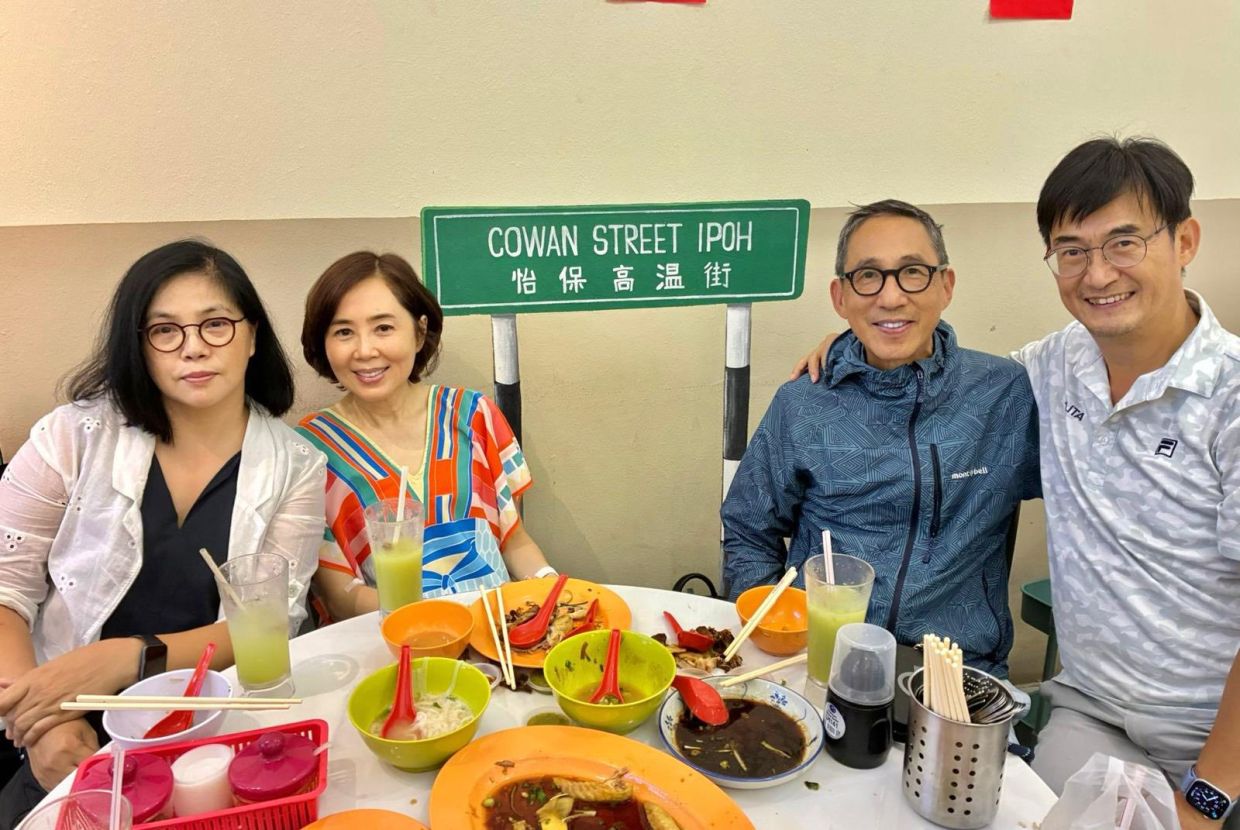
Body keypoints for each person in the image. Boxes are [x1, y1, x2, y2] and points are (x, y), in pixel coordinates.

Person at [793, 139, 1239, 829]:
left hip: (1211, 726)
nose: (1097, 274)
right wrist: (860, 343)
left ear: (1185, 240)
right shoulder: (1052, 370)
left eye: (1124, 243)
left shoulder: (1231, 400)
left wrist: (1211, 795)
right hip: (1088, 711)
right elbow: (940, 376)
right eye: (1072, 250)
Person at [0, 240, 325, 822]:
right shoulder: (72, 439)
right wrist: (41, 723)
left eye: (216, 324)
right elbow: (5, 591)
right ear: (139, 347)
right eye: (165, 331)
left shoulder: (295, 465)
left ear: (252, 336)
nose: (194, 347)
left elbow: (273, 621)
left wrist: (132, 657)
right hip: (72, 726)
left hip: (217, 732)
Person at [722, 200, 1040, 677]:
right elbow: (748, 529)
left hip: (956, 671)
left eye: (913, 272)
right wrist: (775, 633)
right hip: (820, 661)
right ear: (840, 297)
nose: (890, 298)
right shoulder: (804, 403)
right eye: (868, 277)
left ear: (946, 286)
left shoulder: (1006, 395)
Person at [296, 252, 555, 621]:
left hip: (498, 634)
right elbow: (340, 599)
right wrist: (441, 618)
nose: (365, 350)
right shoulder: (309, 452)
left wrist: (550, 588)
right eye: (343, 332)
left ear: (419, 332)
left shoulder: (473, 414)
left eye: (383, 328)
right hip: (390, 647)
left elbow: (514, 543)